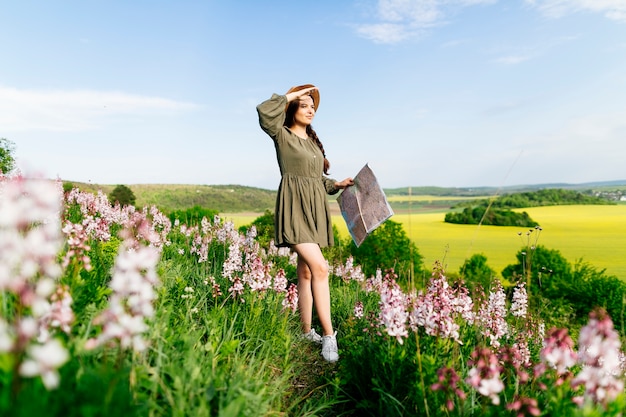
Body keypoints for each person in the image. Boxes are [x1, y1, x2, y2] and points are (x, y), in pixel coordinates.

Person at [256, 84, 353, 363]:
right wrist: (291, 95)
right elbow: (264, 111)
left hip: (315, 209)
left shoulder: (312, 142)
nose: (310, 109)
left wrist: (336, 183)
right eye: (304, 104)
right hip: (295, 209)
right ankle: (329, 336)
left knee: (308, 273)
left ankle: (306, 330)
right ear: (292, 108)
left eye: (313, 106)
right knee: (321, 267)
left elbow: (315, 180)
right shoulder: (281, 135)